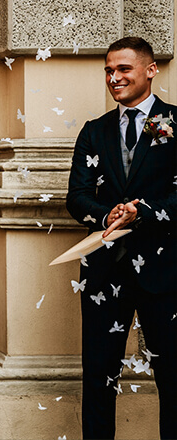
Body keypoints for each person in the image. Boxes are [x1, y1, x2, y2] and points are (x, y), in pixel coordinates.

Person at [66, 36, 176, 440]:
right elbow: (76, 197)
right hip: (103, 274)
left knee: (173, 375)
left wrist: (141, 211)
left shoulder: (175, 124)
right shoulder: (94, 132)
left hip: (165, 273)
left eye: (123, 69)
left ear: (150, 70)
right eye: (109, 71)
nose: (114, 78)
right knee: (98, 377)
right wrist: (105, 213)